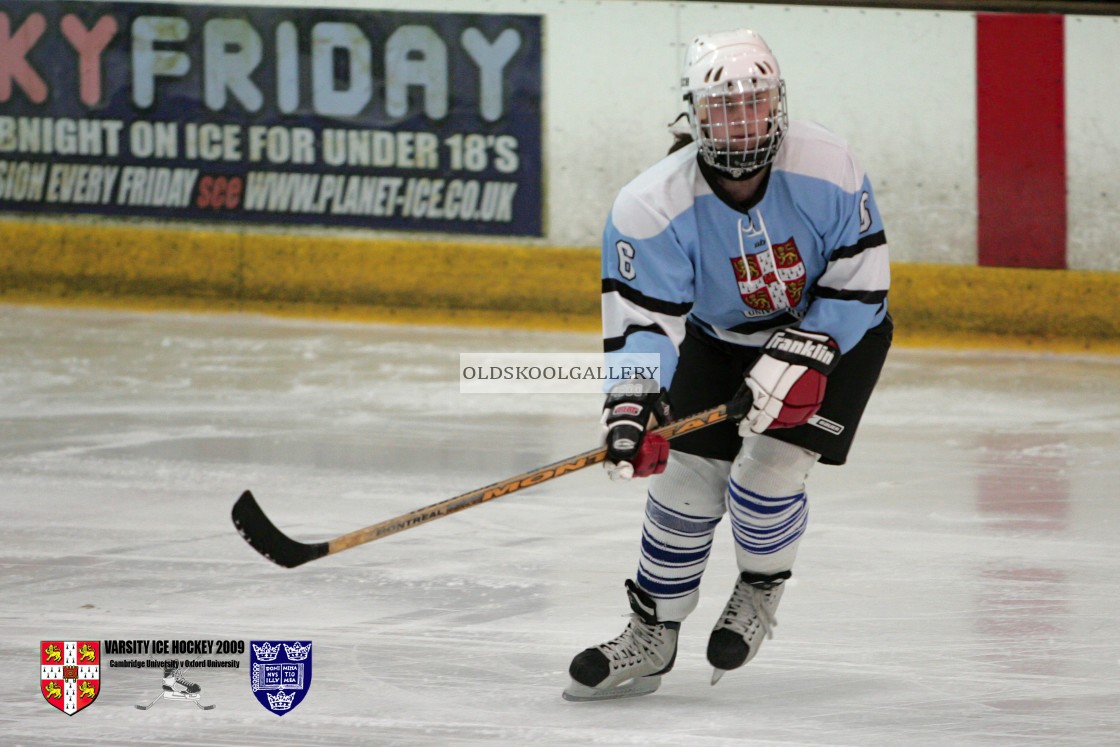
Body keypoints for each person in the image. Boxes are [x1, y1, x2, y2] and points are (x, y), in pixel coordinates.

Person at [563, 28, 892, 701]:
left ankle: (760, 585)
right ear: (694, 114)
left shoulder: (828, 165)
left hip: (836, 336)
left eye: (755, 102)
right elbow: (643, 324)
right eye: (723, 107)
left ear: (777, 104)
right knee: (684, 479)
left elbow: (861, 285)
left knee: (766, 476)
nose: (741, 119)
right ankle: (652, 633)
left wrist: (804, 351)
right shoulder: (649, 205)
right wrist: (634, 404)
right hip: (721, 339)